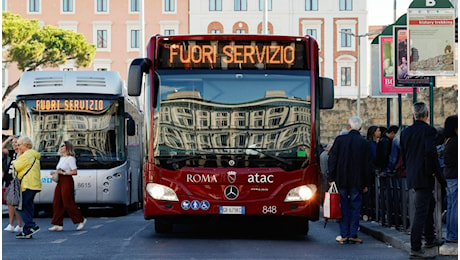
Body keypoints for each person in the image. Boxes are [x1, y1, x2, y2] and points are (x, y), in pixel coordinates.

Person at [400, 102, 446, 259]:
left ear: (413, 115)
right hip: (425, 175)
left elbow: (404, 155)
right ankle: (416, 247)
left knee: (428, 205)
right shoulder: (429, 131)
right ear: (426, 114)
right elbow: (430, 155)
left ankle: (430, 238)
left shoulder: (406, 133)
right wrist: (439, 177)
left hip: (413, 174)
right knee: (421, 211)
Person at [328, 116, 371, 244]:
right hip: (357, 181)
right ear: (361, 128)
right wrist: (366, 183)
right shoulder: (364, 143)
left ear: (349, 126)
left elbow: (332, 160)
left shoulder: (340, 140)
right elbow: (367, 165)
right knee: (355, 207)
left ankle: (344, 234)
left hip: (341, 180)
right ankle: (353, 234)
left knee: (343, 207)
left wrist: (331, 178)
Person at [48, 140, 87, 232]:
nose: (61, 147)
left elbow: (74, 171)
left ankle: (80, 219)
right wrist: (55, 172)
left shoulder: (71, 159)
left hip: (67, 180)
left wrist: (64, 173)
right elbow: (60, 170)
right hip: (60, 180)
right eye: (60, 146)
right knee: (57, 201)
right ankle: (57, 223)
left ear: (67, 147)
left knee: (67, 202)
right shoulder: (62, 158)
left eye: (63, 146)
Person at [12, 136, 41, 239]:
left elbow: (15, 166)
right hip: (34, 184)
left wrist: (18, 155)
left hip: (27, 185)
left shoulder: (27, 155)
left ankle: (32, 226)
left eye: (19, 145)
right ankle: (27, 231)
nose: (18, 147)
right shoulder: (33, 154)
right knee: (28, 207)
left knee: (19, 206)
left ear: (25, 145)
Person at [3, 135, 23, 233]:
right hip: (9, 179)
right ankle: (12, 224)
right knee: (9, 202)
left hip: (16, 180)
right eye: (13, 142)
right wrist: (8, 140)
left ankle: (19, 225)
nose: (14, 144)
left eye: (16, 142)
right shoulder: (12, 153)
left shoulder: (22, 154)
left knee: (15, 202)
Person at [443, 115, 457, 243]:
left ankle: (451, 233)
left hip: (449, 176)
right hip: (455, 176)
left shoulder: (448, 141)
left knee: (452, 206)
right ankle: (454, 235)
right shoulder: (456, 142)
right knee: (455, 207)